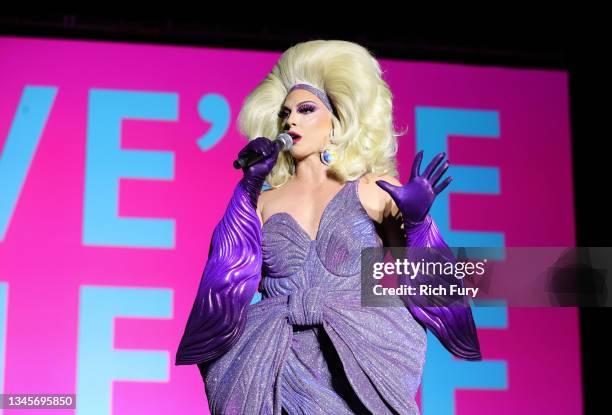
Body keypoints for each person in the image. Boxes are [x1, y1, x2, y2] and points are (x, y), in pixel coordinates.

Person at [175, 39, 481, 414]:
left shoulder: (372, 189)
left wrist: (417, 224)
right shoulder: (264, 200)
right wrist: (249, 186)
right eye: (285, 113)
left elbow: (421, 280)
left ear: (337, 120)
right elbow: (228, 278)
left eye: (306, 110)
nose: (291, 121)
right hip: (278, 362)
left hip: (358, 354)